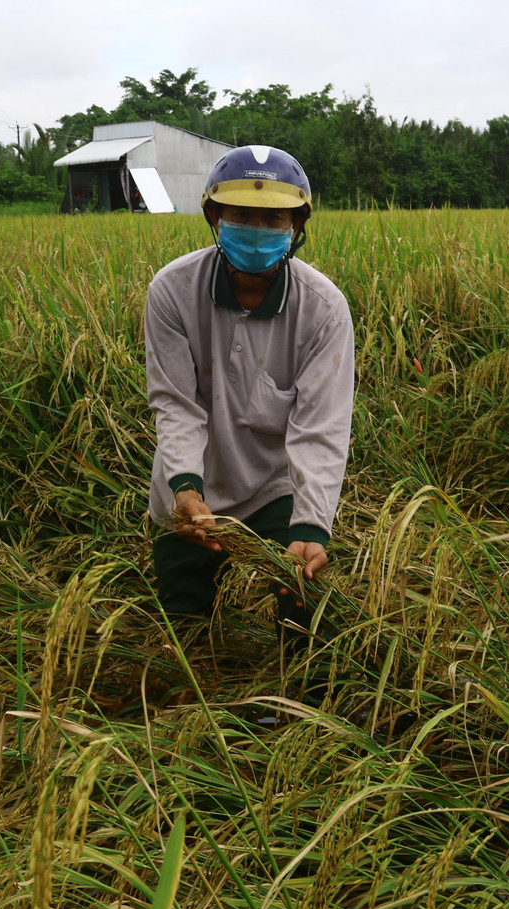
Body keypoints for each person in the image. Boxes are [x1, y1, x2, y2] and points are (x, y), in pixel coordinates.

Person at [144, 144, 355, 648]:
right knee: (184, 627)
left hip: (273, 488)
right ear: (215, 217)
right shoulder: (172, 291)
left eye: (272, 218)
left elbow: (321, 429)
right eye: (242, 215)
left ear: (296, 226)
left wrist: (312, 526)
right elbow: (176, 404)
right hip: (191, 489)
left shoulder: (323, 309)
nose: (257, 229)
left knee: (303, 613)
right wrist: (186, 490)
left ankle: (297, 708)